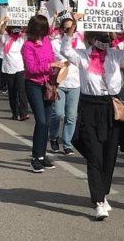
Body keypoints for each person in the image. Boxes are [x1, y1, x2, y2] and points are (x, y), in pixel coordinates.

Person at [61, 14, 124, 220]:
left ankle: (103, 193)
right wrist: (73, 27)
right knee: (94, 154)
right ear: (90, 38)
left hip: (111, 107)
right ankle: (97, 200)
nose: (104, 40)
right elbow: (65, 50)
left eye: (106, 36)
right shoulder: (83, 55)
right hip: (89, 107)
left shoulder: (115, 55)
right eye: (100, 36)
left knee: (109, 155)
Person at [21, 15, 65, 173]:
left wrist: (56, 72)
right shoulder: (27, 46)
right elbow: (31, 69)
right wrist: (50, 65)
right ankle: (35, 157)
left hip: (48, 83)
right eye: (41, 28)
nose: (43, 31)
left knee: (46, 122)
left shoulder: (47, 41)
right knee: (40, 121)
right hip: (33, 84)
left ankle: (41, 155)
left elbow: (52, 58)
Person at [49, 18, 85, 155]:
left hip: (75, 83)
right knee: (58, 114)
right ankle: (53, 136)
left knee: (71, 116)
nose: (69, 30)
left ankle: (67, 143)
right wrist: (67, 60)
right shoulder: (55, 43)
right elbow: (62, 57)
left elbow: (81, 59)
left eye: (72, 28)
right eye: (66, 28)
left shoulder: (80, 43)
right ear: (61, 29)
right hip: (60, 82)